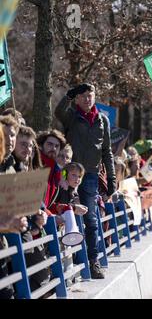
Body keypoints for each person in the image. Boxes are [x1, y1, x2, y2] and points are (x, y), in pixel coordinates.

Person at [55, 83, 116, 279]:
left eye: (91, 96)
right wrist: (68, 96)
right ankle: (66, 262)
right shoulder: (72, 115)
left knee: (90, 219)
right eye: (83, 96)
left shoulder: (102, 120)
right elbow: (58, 111)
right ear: (78, 99)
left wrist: (112, 178)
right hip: (68, 173)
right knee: (67, 213)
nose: (88, 99)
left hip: (89, 175)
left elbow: (107, 152)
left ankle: (92, 260)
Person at [36, 130, 67, 208]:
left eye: (57, 146)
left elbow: (47, 203)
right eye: (50, 144)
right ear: (41, 145)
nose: (53, 148)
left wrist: (60, 208)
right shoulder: (34, 164)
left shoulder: (56, 170)